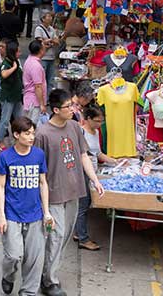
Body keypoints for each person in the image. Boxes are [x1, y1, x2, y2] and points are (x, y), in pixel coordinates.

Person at [35, 89, 104, 296]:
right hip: (54, 193)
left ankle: (47, 272)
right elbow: (38, 169)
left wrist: (95, 179)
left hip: (74, 190)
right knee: (55, 236)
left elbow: (83, 155)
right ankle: (49, 281)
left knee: (64, 237)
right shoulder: (42, 134)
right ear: (56, 110)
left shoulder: (74, 127)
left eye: (73, 106)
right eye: (68, 107)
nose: (73, 109)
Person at [0, 116, 53, 296]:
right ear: (16, 134)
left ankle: (28, 291)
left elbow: (43, 183)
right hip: (12, 214)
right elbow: (0, 187)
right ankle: (8, 275)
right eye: (27, 134)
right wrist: (1, 216)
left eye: (32, 133)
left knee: (35, 259)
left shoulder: (38, 155)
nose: (31, 137)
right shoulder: (5, 157)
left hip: (35, 214)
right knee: (13, 255)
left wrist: (47, 213)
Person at [74, 105, 116, 251]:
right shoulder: (80, 132)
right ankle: (83, 238)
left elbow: (98, 154)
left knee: (85, 204)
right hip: (82, 172)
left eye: (101, 121)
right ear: (88, 119)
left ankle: (78, 232)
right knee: (83, 205)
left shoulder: (96, 132)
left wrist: (116, 161)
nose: (100, 124)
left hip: (93, 170)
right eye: (97, 121)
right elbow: (81, 155)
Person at [0, 40, 23, 150]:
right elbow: (4, 74)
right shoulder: (6, 64)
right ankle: (0, 141)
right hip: (8, 97)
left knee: (19, 119)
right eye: (18, 51)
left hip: (17, 96)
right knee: (5, 120)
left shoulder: (15, 61)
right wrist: (14, 68)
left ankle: (18, 138)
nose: (20, 53)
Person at [34, 11, 61, 92]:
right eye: (48, 17)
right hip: (43, 57)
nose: (50, 18)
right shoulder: (39, 29)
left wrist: (49, 40)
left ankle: (48, 98)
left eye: (51, 17)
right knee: (42, 79)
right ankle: (41, 97)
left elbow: (57, 41)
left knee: (50, 80)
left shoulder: (52, 29)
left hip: (51, 57)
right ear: (43, 19)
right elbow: (40, 42)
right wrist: (49, 41)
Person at [22, 40, 47, 124]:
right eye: (44, 47)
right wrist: (42, 104)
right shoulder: (36, 66)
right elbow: (38, 87)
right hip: (34, 102)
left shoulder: (29, 60)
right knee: (33, 126)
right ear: (40, 50)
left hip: (29, 99)